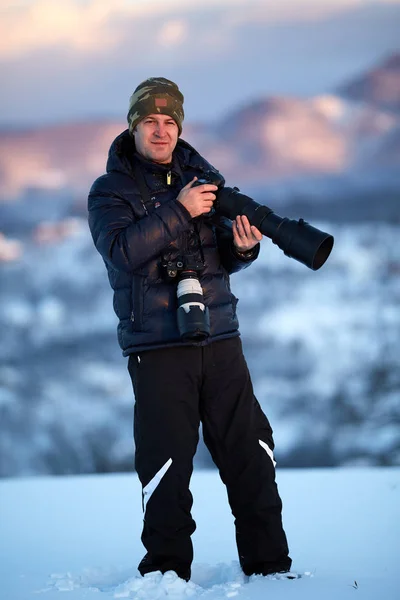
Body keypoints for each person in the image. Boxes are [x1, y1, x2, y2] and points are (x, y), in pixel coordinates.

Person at [88, 77, 292, 582]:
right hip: (158, 347)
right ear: (134, 125)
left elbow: (222, 257)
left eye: (170, 122)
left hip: (221, 338)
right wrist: (179, 210)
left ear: (180, 127)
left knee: (250, 453)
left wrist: (243, 248)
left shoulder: (205, 179)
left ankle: (271, 570)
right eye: (150, 121)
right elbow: (121, 253)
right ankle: (165, 575)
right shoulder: (109, 190)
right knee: (166, 467)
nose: (161, 131)